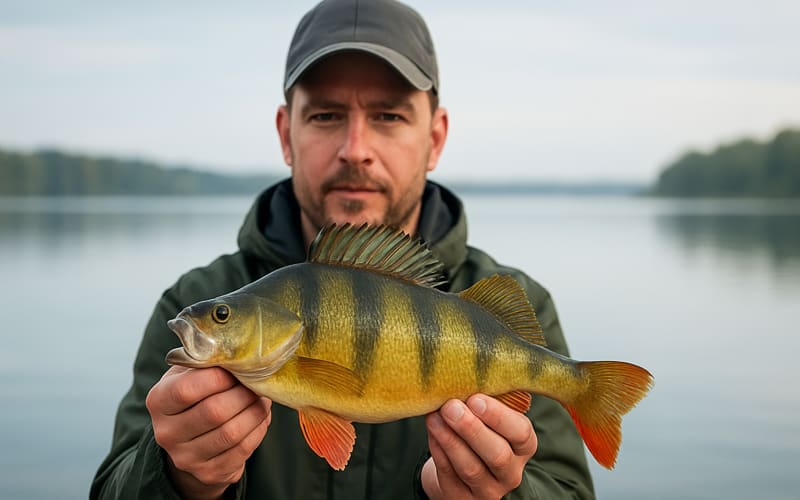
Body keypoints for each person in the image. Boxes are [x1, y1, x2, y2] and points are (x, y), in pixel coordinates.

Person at [91, 0, 595, 498]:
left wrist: (502, 494)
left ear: (435, 138)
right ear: (286, 134)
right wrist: (179, 478)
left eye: (389, 116)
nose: (355, 149)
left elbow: (568, 490)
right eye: (327, 114)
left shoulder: (524, 303)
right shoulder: (193, 299)